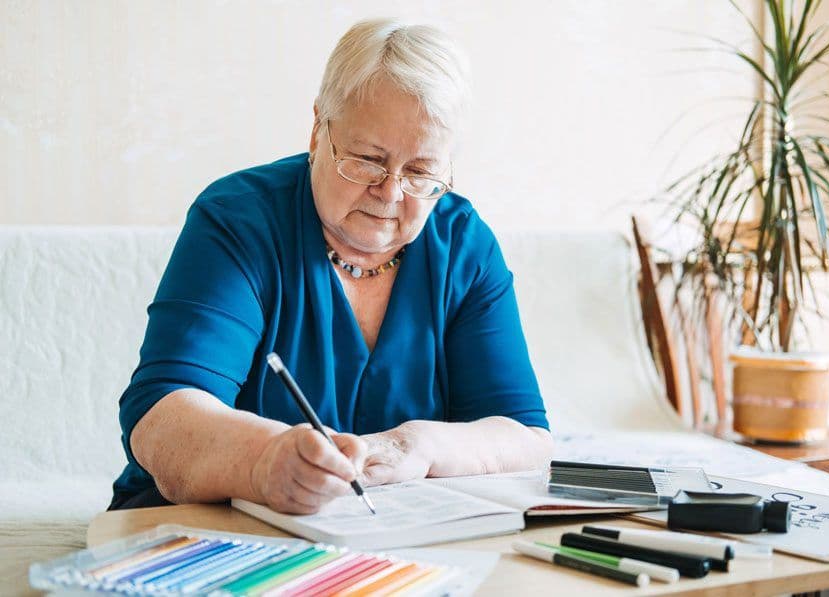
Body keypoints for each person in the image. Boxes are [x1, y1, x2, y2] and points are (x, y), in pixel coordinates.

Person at [110, 18, 552, 514]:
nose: (390, 192)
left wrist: (419, 447)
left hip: (389, 533)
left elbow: (526, 437)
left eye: (421, 171)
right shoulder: (239, 221)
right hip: (217, 523)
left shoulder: (462, 243)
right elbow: (161, 419)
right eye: (367, 159)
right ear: (318, 131)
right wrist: (264, 461)